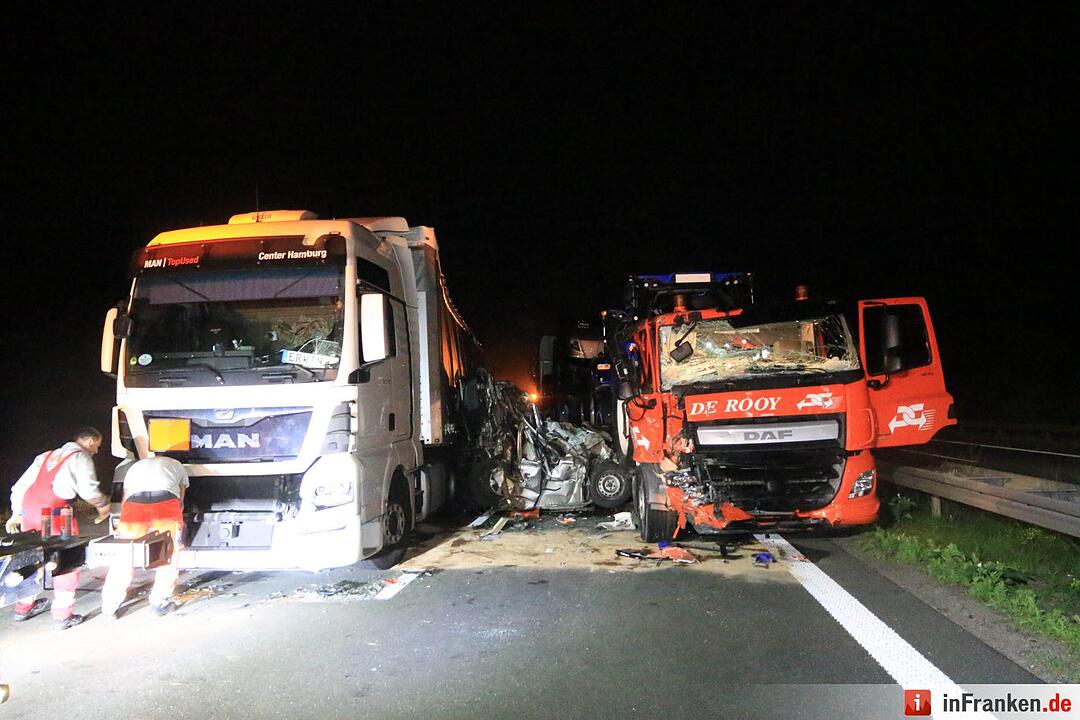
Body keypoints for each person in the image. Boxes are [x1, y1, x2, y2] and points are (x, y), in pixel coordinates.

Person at [5, 427, 110, 629]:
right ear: (89, 441)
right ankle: (63, 615)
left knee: (33, 557)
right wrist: (102, 505)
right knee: (66, 561)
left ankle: (23, 607)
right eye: (96, 446)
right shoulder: (80, 457)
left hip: (31, 512)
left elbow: (20, 486)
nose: (96, 451)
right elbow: (88, 489)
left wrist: (16, 513)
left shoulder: (45, 456)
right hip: (57, 513)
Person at [101, 455, 188, 618]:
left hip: (134, 504)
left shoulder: (136, 466)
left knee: (124, 553)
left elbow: (125, 496)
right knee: (168, 552)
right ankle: (159, 602)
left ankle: (109, 607)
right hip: (165, 502)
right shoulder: (177, 463)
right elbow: (181, 497)